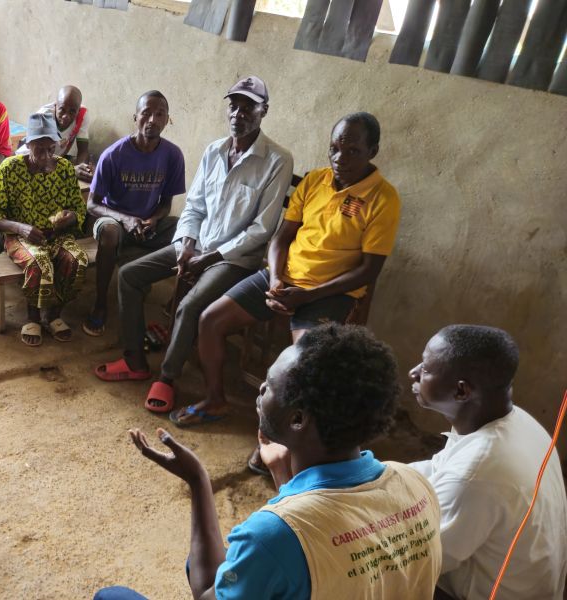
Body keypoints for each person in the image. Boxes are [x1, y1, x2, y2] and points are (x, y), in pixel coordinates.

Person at [96, 324, 442, 599]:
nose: (261, 388)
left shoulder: (272, 534)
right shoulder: (413, 483)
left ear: (297, 420)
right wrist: (282, 471)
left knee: (111, 596)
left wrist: (198, 480)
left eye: (271, 386)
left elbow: (206, 593)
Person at [94, 77, 294, 418]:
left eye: (249, 107)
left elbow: (261, 230)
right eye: (234, 105)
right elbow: (194, 206)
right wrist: (187, 244)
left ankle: (168, 377)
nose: (238, 113)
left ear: (264, 111)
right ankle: (134, 360)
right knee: (130, 275)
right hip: (197, 246)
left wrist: (209, 258)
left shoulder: (277, 160)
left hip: (233, 259)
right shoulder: (215, 150)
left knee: (189, 305)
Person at [186, 113, 400, 427]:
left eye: (353, 150)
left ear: (373, 151)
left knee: (301, 361)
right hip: (283, 281)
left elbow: (368, 271)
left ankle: (277, 435)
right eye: (335, 148)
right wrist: (275, 280)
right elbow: (281, 238)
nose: (340, 158)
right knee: (210, 320)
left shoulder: (383, 198)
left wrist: (306, 296)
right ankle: (215, 400)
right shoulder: (315, 181)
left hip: (332, 292)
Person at [409, 325, 567, 599]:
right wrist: (378, 476)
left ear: (461, 392)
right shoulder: (515, 421)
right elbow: (439, 469)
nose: (414, 372)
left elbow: (418, 561)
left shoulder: (476, 474)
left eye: (426, 369)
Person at [82, 90, 186, 337]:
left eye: (159, 114)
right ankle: (100, 304)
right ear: (135, 117)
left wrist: (154, 219)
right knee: (108, 233)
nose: (152, 120)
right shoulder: (114, 155)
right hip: (114, 218)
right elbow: (92, 205)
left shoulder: (172, 155)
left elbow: (166, 204)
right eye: (146, 113)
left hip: (148, 223)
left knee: (190, 231)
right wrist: (126, 219)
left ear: (167, 119)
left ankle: (174, 303)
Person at [0, 113, 87, 346]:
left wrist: (69, 218)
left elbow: (78, 210)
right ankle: (33, 318)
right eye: (39, 149)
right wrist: (22, 228)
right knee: (39, 262)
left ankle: (54, 314)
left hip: (56, 235)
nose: (47, 156)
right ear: (28, 145)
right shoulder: (10, 168)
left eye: (52, 149)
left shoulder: (65, 169)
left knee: (77, 259)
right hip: (20, 236)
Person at [18, 85, 93, 182]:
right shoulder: (43, 116)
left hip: (54, 160)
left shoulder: (82, 115)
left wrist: (83, 169)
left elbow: (83, 150)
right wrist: (71, 171)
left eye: (72, 112)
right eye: (62, 109)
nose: (66, 116)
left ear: (78, 110)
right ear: (55, 105)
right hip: (31, 160)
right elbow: (39, 159)